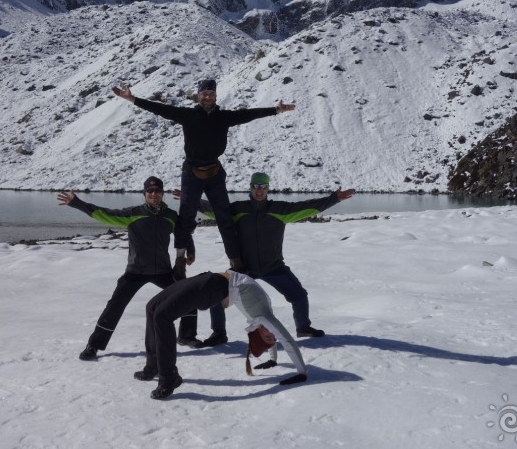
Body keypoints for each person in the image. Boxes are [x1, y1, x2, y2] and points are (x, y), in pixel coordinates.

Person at [112, 79, 294, 266]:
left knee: (224, 218)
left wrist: (275, 110)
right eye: (204, 93)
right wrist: (132, 99)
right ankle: (180, 260)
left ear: (215, 96)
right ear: (198, 96)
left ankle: (235, 260)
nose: (208, 96)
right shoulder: (187, 115)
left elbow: (249, 114)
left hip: (214, 172)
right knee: (186, 217)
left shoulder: (224, 117)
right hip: (191, 172)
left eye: (211, 93)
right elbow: (160, 109)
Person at [192, 172, 354, 347]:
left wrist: (333, 199)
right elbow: (217, 210)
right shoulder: (239, 209)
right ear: (251, 188)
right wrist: (192, 199)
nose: (259, 190)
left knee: (299, 296)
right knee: (217, 295)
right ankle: (219, 333)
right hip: (244, 269)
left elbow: (307, 207)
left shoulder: (280, 209)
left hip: (274, 267)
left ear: (267, 188)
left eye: (263, 186)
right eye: (256, 186)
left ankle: (303, 327)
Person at [57, 176, 199, 360]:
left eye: (157, 191)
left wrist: (191, 250)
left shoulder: (170, 216)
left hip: (163, 271)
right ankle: (94, 345)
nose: (154, 194)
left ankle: (186, 336)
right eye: (150, 191)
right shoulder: (132, 214)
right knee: (115, 306)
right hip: (136, 271)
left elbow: (183, 233)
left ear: (162, 193)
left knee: (188, 294)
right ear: (144, 193)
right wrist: (77, 203)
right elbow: (103, 213)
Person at [137, 269, 308, 400]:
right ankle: (153, 366)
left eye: (269, 337)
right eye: (272, 336)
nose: (273, 334)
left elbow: (287, 341)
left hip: (211, 288)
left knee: (162, 317)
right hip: (210, 279)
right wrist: (273, 360)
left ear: (258, 334)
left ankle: (169, 377)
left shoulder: (264, 318)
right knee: (151, 307)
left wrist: (301, 373)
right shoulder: (266, 317)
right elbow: (280, 340)